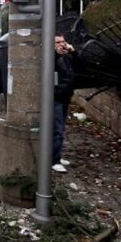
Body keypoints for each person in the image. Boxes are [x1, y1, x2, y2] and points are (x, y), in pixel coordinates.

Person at [53, 33, 76, 173]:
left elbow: (80, 66)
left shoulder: (66, 57)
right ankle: (54, 160)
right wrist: (56, 54)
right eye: (57, 42)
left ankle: (56, 156)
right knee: (57, 130)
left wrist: (73, 52)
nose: (61, 44)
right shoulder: (51, 57)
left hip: (65, 97)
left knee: (60, 129)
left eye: (63, 41)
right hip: (55, 98)